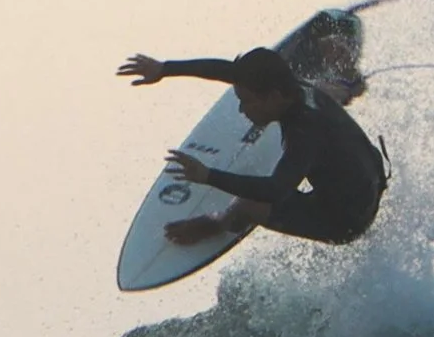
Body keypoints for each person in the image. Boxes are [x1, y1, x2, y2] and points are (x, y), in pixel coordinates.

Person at [118, 45, 389, 250]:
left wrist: (208, 176)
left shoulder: (304, 132)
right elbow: (227, 71)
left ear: (273, 96)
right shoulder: (295, 89)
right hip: (368, 176)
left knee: (249, 204)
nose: (240, 109)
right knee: (323, 91)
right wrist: (164, 68)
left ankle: (216, 223)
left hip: (348, 217)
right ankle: (343, 90)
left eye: (247, 101)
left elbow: (275, 190)